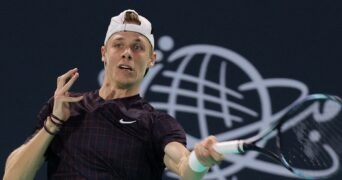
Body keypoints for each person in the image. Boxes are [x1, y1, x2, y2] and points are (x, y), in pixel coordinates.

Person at [3, 9, 223, 180]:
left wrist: (199, 160)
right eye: (118, 45)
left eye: (138, 47)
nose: (127, 53)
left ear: (151, 59)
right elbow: (13, 175)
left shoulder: (156, 123)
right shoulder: (65, 106)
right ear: (104, 53)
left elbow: (184, 166)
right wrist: (54, 122)